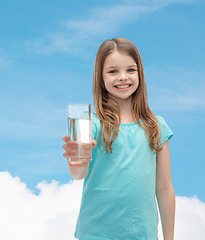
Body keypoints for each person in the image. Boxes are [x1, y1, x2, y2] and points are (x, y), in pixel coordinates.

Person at [62, 38, 175, 240]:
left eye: (130, 70)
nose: (123, 77)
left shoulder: (156, 127)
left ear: (140, 72)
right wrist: (76, 158)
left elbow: (164, 188)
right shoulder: (92, 125)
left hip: (143, 235)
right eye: (113, 71)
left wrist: (169, 238)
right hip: (95, 234)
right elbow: (79, 173)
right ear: (101, 77)